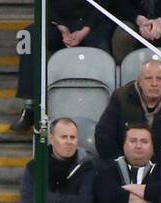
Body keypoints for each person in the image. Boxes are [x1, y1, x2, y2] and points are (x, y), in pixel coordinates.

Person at [11, 0, 112, 132]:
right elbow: (45, 3)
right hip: (61, 24)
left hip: (95, 24)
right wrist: (62, 27)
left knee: (102, 49)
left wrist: (86, 29)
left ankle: (107, 110)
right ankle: (31, 106)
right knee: (30, 36)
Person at [93, 57, 161, 163]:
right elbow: (104, 135)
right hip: (121, 165)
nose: (154, 83)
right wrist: (121, 164)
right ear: (139, 81)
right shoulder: (121, 97)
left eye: (159, 78)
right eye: (148, 78)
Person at [94, 121, 161, 203]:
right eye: (133, 141)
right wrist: (151, 197)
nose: (138, 146)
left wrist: (128, 188)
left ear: (152, 147)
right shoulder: (107, 168)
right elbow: (107, 198)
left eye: (144, 142)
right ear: (124, 145)